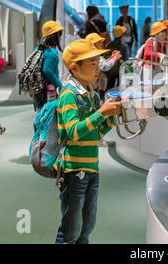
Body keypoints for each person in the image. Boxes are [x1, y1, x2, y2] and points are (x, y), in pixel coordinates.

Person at [55, 39, 122, 244]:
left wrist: (111, 117)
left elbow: (96, 133)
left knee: (87, 226)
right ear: (75, 67)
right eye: (92, 63)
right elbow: (74, 132)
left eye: (97, 62)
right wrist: (101, 113)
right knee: (71, 230)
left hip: (92, 170)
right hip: (74, 171)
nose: (98, 68)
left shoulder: (91, 94)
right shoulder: (68, 95)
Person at [33, 21, 65, 111]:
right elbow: (47, 70)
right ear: (55, 36)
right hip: (48, 92)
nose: (60, 37)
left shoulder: (38, 50)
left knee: (41, 116)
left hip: (38, 90)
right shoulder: (52, 53)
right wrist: (60, 85)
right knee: (49, 119)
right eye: (59, 35)